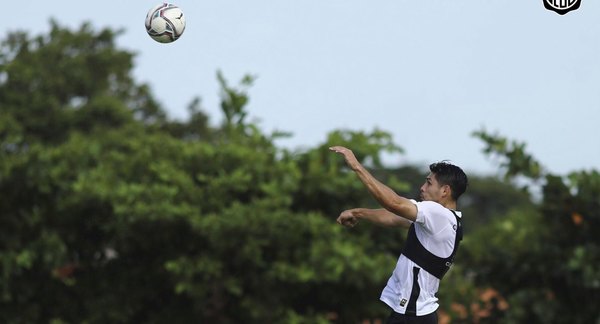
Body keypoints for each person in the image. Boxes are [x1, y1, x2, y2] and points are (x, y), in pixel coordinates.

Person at [329, 146, 468, 324]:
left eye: (429, 183)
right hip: (413, 313)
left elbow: (393, 203)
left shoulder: (438, 214)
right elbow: (394, 217)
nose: (422, 187)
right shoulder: (440, 220)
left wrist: (357, 167)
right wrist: (358, 213)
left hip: (412, 314)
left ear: (445, 191)